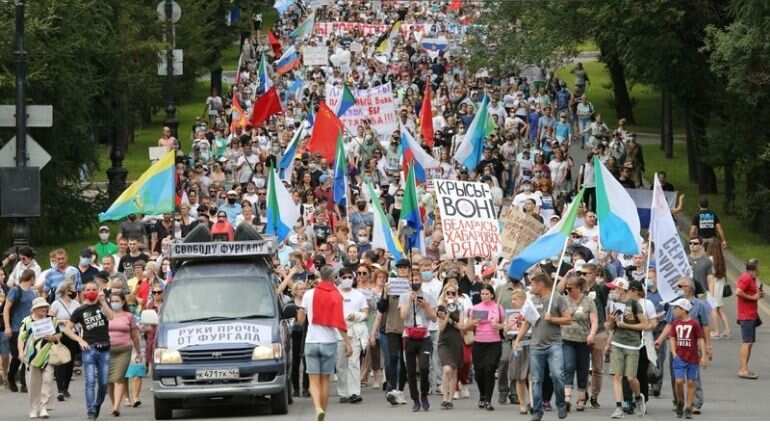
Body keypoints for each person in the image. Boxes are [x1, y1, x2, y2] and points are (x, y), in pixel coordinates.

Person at [513, 272, 572, 421]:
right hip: (536, 346)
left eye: (533, 284)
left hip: (554, 344)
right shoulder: (531, 300)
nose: (531, 287)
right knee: (536, 379)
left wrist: (552, 318)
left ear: (541, 284)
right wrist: (518, 339)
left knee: (557, 375)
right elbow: (527, 322)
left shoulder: (557, 298)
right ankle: (537, 411)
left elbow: (568, 319)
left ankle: (561, 404)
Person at [297, 266, 353, 421]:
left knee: (313, 380)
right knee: (325, 381)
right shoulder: (336, 295)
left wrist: (299, 318)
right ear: (334, 278)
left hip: (311, 341)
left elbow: (301, 318)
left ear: (320, 276)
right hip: (329, 342)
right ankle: (323, 413)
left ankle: (317, 408)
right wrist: (348, 343)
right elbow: (340, 322)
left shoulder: (309, 294)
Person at [61, 282, 115, 420]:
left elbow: (111, 317)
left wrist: (103, 301)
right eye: (88, 289)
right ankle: (90, 410)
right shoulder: (80, 310)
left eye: (94, 289)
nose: (91, 291)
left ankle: (97, 404)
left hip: (104, 348)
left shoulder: (102, 306)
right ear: (84, 292)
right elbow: (67, 329)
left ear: (98, 291)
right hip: (89, 348)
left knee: (103, 383)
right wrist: (80, 340)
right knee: (90, 381)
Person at [606, 278, 648, 419]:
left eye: (615, 289)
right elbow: (610, 327)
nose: (613, 291)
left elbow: (644, 325)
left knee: (631, 378)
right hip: (617, 343)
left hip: (632, 345)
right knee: (617, 376)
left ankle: (638, 397)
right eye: (612, 289)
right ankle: (619, 407)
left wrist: (627, 326)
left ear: (623, 290)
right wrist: (611, 322)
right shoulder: (612, 305)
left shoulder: (635, 305)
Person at [399, 269, 437, 412]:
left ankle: (424, 395)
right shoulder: (403, 296)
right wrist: (410, 300)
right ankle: (415, 399)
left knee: (424, 367)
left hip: (424, 335)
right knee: (410, 370)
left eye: (416, 279)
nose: (414, 282)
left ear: (421, 280)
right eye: (411, 280)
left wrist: (425, 305)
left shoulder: (428, 296)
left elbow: (433, 318)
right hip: (409, 335)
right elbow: (403, 315)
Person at [18, 297, 62, 419]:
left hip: (48, 354)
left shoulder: (52, 320)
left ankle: (43, 407)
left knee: (47, 381)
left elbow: (58, 335)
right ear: (35, 309)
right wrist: (21, 352)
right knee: (33, 384)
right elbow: (21, 338)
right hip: (32, 356)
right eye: (41, 307)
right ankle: (33, 408)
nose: (44, 309)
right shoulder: (27, 321)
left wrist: (53, 338)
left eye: (45, 307)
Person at [560, 275, 597, 412]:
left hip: (583, 340)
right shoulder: (563, 300)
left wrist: (592, 334)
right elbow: (557, 291)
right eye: (567, 288)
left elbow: (594, 320)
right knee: (568, 366)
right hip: (566, 338)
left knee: (582, 368)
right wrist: (565, 278)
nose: (568, 290)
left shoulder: (588, 301)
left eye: (571, 288)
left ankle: (581, 398)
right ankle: (567, 398)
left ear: (579, 288)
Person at [668, 298, 707, 419]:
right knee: (679, 381)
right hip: (679, 356)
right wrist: (674, 352)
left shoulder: (694, 323)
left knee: (691, 382)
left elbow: (700, 339)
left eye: (676, 308)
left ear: (684, 310)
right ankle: (680, 401)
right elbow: (672, 337)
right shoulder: (675, 323)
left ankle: (688, 406)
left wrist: (704, 355)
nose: (674, 310)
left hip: (692, 357)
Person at [467, 285, 503, 411]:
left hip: (494, 342)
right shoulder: (475, 308)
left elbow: (504, 324)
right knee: (479, 372)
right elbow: (468, 325)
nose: (484, 296)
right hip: (479, 342)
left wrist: (497, 325)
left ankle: (488, 399)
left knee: (489, 369)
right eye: (482, 294)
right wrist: (473, 322)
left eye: (487, 293)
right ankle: (482, 394)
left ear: (492, 295)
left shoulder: (497, 307)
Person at [336, 267, 368, 404]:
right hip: (338, 332)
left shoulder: (359, 295)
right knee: (341, 364)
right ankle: (343, 392)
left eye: (349, 277)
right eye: (344, 277)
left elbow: (365, 313)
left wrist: (356, 315)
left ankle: (355, 392)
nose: (347, 280)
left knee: (354, 363)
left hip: (354, 331)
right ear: (339, 278)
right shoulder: (335, 293)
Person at [106, 293, 141, 417]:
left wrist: (138, 351)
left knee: (119, 378)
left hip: (124, 350)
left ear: (122, 302)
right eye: (112, 300)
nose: (114, 302)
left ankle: (116, 407)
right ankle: (113, 403)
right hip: (107, 350)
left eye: (117, 300)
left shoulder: (129, 316)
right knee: (109, 381)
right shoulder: (106, 314)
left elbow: (135, 336)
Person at [3, 268, 37, 392]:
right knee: (17, 356)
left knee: (27, 356)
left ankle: (24, 383)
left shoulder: (33, 293)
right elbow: (6, 309)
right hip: (16, 328)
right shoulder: (15, 290)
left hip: (30, 328)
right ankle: (11, 376)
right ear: (31, 278)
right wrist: (7, 326)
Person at [48, 280, 80, 401]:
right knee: (61, 361)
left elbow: (79, 319)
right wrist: (61, 321)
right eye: (72, 288)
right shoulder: (56, 304)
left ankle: (66, 387)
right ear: (66, 290)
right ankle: (60, 390)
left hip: (72, 334)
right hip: (60, 335)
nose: (74, 290)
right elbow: (50, 319)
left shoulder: (76, 304)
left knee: (70, 362)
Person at [436, 281, 465, 410]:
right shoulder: (441, 308)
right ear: (444, 294)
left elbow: (461, 326)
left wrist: (453, 319)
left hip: (456, 341)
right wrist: (447, 312)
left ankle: (450, 399)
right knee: (447, 369)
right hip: (444, 341)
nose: (451, 295)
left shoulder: (460, 307)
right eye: (448, 292)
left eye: (453, 293)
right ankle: (444, 397)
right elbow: (441, 327)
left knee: (453, 371)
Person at [505, 289, 531, 415]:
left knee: (531, 376)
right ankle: (522, 404)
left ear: (523, 300)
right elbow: (506, 332)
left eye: (515, 299)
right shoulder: (511, 314)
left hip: (530, 344)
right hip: (517, 345)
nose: (513, 302)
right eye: (512, 299)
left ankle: (532, 401)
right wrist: (507, 328)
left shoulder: (530, 311)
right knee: (520, 377)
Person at [736, 259, 763, 380]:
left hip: (751, 314)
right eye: (758, 269)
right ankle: (743, 369)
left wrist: (758, 295)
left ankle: (745, 367)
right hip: (746, 315)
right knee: (746, 342)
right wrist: (752, 298)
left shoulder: (752, 279)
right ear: (753, 269)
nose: (759, 271)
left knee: (750, 342)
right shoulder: (746, 278)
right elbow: (738, 292)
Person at [706, 240, 730, 338]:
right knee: (719, 309)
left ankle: (716, 331)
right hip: (720, 284)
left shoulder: (709, 260)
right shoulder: (721, 259)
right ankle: (727, 330)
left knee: (713, 308)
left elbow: (709, 276)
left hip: (713, 286)